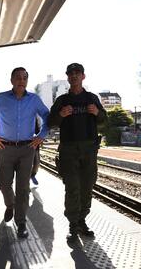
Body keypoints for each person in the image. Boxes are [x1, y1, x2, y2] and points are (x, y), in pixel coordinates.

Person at [0, 67, 49, 239]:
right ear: (11, 80)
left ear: (27, 80)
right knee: (3, 182)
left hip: (27, 149)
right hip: (5, 148)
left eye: (24, 77)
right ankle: (10, 205)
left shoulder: (34, 99)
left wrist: (41, 136)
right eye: (17, 77)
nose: (21, 80)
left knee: (23, 187)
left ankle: (21, 222)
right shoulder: (1, 98)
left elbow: (47, 117)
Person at [47, 63, 107, 242]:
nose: (73, 76)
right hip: (68, 150)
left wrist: (97, 112)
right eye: (70, 74)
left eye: (77, 73)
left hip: (89, 149)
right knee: (72, 187)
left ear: (83, 76)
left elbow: (104, 122)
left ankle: (82, 220)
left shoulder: (92, 98)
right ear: (67, 77)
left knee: (87, 186)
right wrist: (61, 115)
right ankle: (73, 224)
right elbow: (50, 122)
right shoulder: (62, 100)